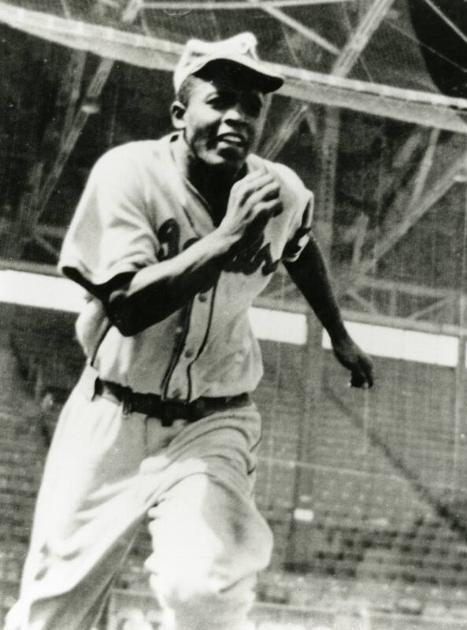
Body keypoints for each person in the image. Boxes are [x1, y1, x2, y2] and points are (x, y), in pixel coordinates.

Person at [6, 32, 374, 630]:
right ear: (180, 112)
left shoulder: (278, 191)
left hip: (213, 422)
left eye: (251, 106)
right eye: (220, 99)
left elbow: (302, 249)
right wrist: (225, 240)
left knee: (204, 589)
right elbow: (126, 307)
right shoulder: (128, 174)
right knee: (51, 615)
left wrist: (338, 332)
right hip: (110, 419)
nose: (237, 116)